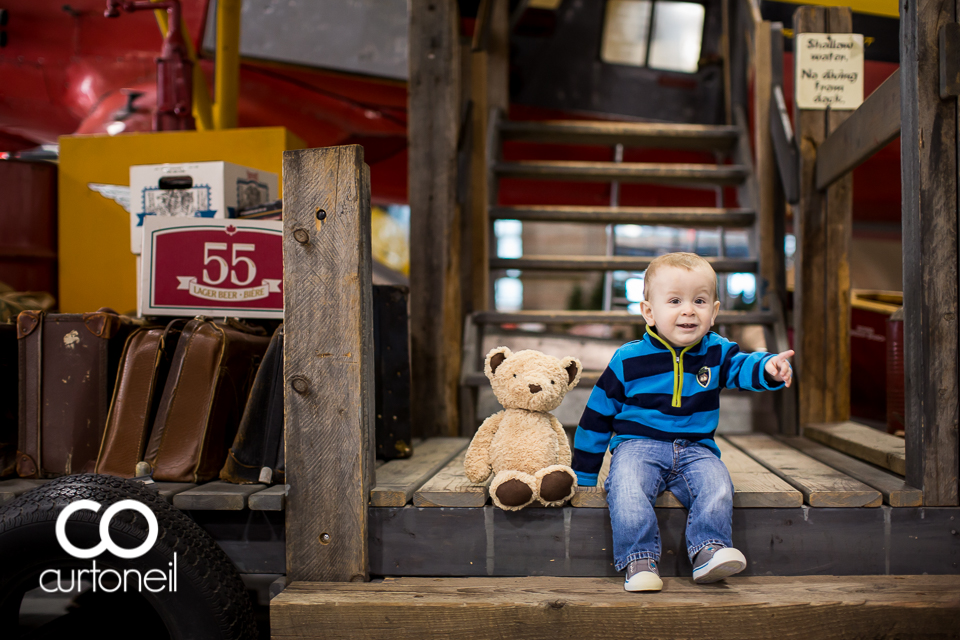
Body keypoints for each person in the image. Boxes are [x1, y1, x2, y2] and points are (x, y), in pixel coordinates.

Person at [572, 252, 793, 592]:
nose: (688, 310)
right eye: (674, 300)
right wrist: (584, 473)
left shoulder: (717, 353)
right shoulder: (628, 359)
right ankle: (640, 560)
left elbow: (743, 367)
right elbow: (597, 415)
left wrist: (768, 368)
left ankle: (708, 550)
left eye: (699, 301)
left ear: (714, 312)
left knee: (718, 485)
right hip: (637, 447)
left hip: (696, 449)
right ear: (649, 312)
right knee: (627, 486)